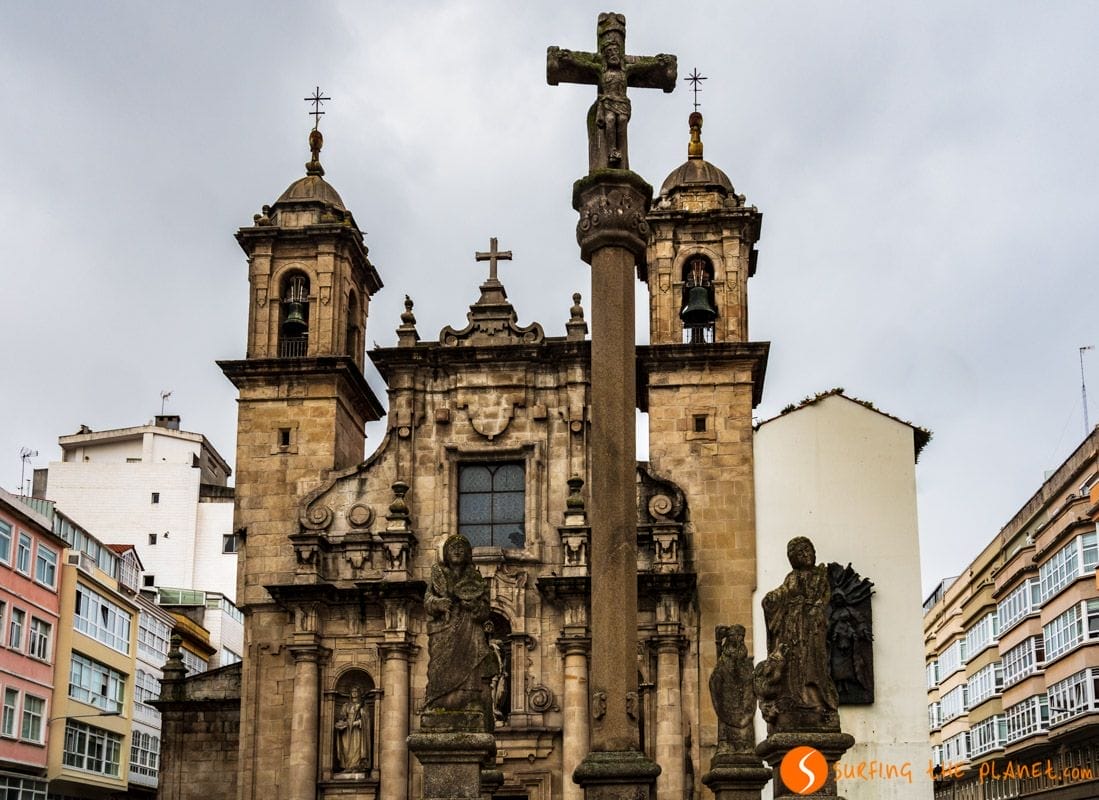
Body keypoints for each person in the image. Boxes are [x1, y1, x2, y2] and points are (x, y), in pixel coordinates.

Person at [760, 537, 839, 729]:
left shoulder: (820, 576)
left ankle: (818, 702)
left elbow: (823, 599)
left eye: (807, 551)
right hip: (794, 629)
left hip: (812, 629)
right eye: (799, 553)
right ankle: (797, 699)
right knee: (794, 666)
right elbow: (783, 592)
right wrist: (772, 597)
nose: (805, 555)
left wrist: (813, 610)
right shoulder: (792, 577)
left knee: (814, 664)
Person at [423, 535, 494, 716]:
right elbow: (427, 600)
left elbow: (485, 608)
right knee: (438, 665)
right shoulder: (438, 575)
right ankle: (438, 700)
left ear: (468, 554)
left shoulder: (476, 578)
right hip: (443, 629)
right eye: (452, 548)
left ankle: (470, 700)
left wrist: (475, 607)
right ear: (446, 553)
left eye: (461, 548)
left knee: (472, 658)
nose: (456, 551)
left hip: (469, 628)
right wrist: (438, 604)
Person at [709, 624, 757, 753]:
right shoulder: (724, 657)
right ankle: (725, 743)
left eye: (740, 636)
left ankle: (746, 745)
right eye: (734, 636)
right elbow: (718, 673)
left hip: (742, 700)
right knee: (724, 718)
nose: (738, 639)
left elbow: (748, 678)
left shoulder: (744, 658)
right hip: (727, 698)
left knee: (745, 721)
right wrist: (718, 643)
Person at [335, 686, 370, 771]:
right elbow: (342, 716)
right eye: (352, 691)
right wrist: (341, 723)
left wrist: (359, 721)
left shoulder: (363, 705)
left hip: (357, 730)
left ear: (359, 693)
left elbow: (366, 718)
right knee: (346, 748)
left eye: (356, 691)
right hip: (347, 731)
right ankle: (347, 766)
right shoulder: (346, 705)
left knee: (357, 747)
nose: (354, 693)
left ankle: (356, 766)